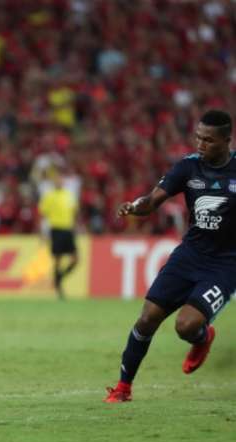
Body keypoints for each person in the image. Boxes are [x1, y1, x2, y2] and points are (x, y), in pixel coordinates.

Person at [105, 110, 235, 403]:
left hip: (225, 265)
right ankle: (123, 388)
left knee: (185, 326)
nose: (200, 144)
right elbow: (152, 200)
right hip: (189, 255)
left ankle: (202, 338)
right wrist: (134, 207)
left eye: (209, 140)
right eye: (198, 137)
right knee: (148, 317)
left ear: (227, 140)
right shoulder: (188, 168)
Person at [38, 171, 79, 299]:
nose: (59, 182)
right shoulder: (49, 196)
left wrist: (75, 227)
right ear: (54, 183)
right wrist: (42, 233)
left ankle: (59, 278)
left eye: (61, 180)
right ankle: (58, 288)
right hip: (56, 229)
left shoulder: (69, 195)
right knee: (58, 260)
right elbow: (43, 215)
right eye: (57, 180)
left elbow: (74, 213)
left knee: (75, 259)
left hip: (68, 229)